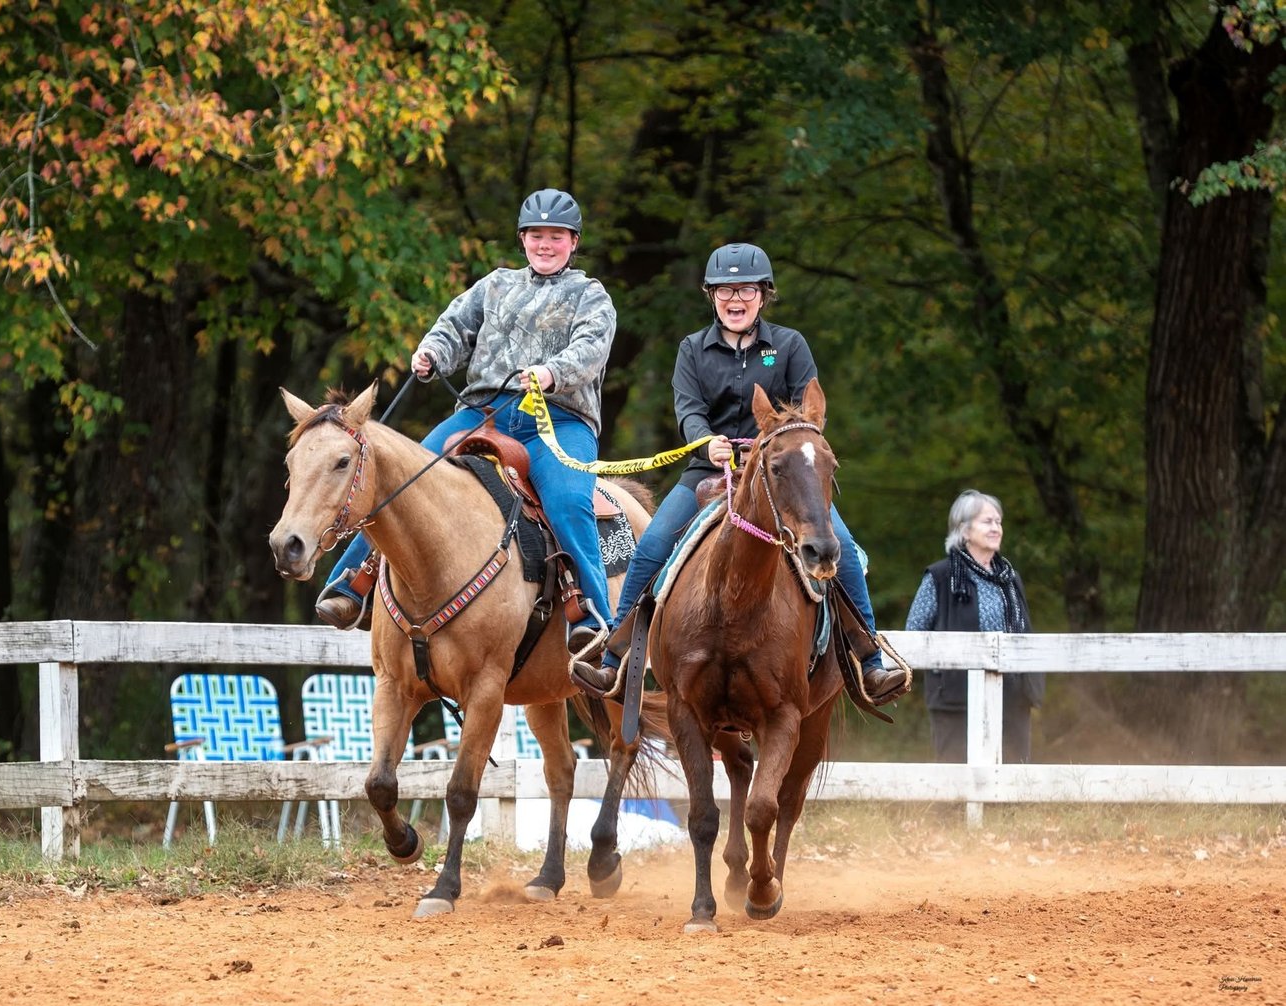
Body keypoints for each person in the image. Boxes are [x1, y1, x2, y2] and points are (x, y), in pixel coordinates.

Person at [571, 242, 907, 703]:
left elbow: (806, 414)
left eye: (745, 289)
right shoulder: (691, 349)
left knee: (841, 544)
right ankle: (615, 657)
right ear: (711, 295)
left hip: (781, 475)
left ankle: (870, 660)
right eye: (725, 290)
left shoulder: (789, 345)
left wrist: (776, 445)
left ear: (763, 295)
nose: (735, 299)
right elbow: (688, 410)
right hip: (707, 472)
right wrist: (706, 441)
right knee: (651, 544)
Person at [315, 187, 616, 657]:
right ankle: (351, 585)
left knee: (568, 501)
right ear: (522, 239)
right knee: (402, 475)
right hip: (483, 414)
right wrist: (434, 352)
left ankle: (593, 617)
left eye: (556, 236)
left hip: (557, 419)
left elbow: (591, 349)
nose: (545, 245)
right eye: (536, 235)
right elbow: (454, 326)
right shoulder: (495, 285)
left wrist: (551, 372)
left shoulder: (590, 295)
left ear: (573, 243)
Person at [904, 488, 1045, 763]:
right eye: (987, 521)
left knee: (1012, 773)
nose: (995, 528)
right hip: (955, 697)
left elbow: (1026, 634)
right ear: (965, 531)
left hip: (1012, 695)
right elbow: (914, 634)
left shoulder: (1009, 579)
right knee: (956, 775)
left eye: (998, 521)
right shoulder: (941, 577)